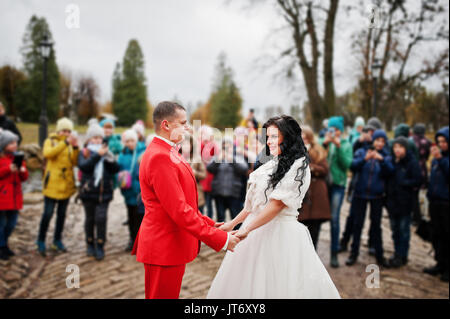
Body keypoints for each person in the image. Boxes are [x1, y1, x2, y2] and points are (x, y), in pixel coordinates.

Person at [207, 115, 340, 298]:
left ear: (289, 137)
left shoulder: (300, 165)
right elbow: (254, 205)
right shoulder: (272, 163)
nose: (269, 142)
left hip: (281, 234)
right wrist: (233, 224)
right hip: (256, 232)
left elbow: (277, 205)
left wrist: (247, 229)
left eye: (274, 137)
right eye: (267, 137)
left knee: (279, 284)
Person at [131, 101, 240, 299]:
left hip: (170, 244)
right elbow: (179, 210)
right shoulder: (160, 157)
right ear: (166, 125)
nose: (187, 127)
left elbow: (185, 203)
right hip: (164, 245)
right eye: (182, 123)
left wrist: (213, 225)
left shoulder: (168, 151)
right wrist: (220, 239)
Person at [345, 129, 393, 268]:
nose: (379, 143)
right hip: (360, 194)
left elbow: (390, 171)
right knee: (357, 225)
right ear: (373, 140)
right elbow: (353, 166)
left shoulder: (386, 156)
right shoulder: (362, 152)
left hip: (377, 196)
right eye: (377, 140)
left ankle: (380, 256)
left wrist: (381, 160)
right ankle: (353, 253)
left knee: (376, 226)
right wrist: (365, 158)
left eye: (382, 141)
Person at [36, 118, 79, 256]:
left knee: (61, 215)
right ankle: (41, 240)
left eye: (68, 131)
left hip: (65, 186)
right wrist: (64, 143)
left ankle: (57, 240)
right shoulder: (50, 141)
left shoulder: (70, 145)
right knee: (47, 214)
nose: (66, 133)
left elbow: (74, 162)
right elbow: (48, 154)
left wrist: (76, 148)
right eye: (64, 130)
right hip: (52, 185)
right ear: (58, 130)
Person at [78, 123, 120, 261]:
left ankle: (100, 244)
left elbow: (115, 170)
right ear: (89, 139)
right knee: (90, 219)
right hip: (88, 192)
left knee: (101, 219)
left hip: (104, 192)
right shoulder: (84, 152)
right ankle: (90, 243)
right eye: (94, 138)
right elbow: (84, 167)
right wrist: (97, 156)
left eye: (99, 138)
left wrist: (109, 158)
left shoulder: (107, 153)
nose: (96, 140)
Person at [319, 116, 353, 268]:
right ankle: (312, 251)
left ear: (340, 131)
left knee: (334, 218)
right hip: (324, 184)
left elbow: (347, 165)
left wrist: (338, 147)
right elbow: (317, 157)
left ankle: (334, 253)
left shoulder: (346, 144)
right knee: (318, 217)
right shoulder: (323, 142)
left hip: (338, 185)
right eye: (331, 129)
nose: (334, 132)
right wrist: (325, 144)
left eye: (336, 130)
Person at [385, 136, 422, 268]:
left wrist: (404, 184)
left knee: (403, 230)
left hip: (405, 202)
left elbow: (418, 179)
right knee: (395, 230)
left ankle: (402, 255)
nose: (397, 150)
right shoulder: (391, 161)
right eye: (395, 147)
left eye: (400, 147)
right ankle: (397, 253)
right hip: (392, 202)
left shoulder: (412, 162)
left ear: (405, 148)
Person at [297, 125, 331, 250]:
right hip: (302, 196)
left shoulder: (318, 150)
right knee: (300, 232)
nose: (304, 140)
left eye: (306, 138)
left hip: (317, 194)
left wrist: (311, 167)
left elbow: (325, 170)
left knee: (314, 231)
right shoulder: (294, 151)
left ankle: (312, 259)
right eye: (301, 138)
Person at [423, 126, 449, 282]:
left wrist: (440, 159)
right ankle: (439, 263)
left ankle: (448, 267)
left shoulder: (442, 159)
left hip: (446, 202)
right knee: (437, 235)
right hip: (435, 201)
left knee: (447, 236)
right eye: (439, 142)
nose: (442, 144)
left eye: (444, 141)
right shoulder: (436, 159)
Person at [0, 130, 28, 260]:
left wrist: (22, 170)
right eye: (11, 143)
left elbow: (24, 178)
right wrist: (8, 169)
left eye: (16, 142)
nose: (15, 144)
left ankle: (4, 243)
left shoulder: (18, 158)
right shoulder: (2, 160)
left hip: (15, 197)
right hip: (3, 196)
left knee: (11, 223)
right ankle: (2, 247)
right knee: (1, 223)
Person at [207, 138, 249, 223]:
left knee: (235, 218)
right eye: (224, 147)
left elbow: (244, 169)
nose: (226, 149)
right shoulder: (217, 157)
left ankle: (237, 234)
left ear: (232, 147)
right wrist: (218, 160)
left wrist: (232, 160)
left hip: (234, 193)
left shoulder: (238, 157)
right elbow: (209, 169)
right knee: (220, 219)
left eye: (228, 147)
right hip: (219, 193)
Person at [118, 129, 146, 252]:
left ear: (136, 140)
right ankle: (132, 239)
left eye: (132, 140)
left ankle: (142, 241)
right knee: (130, 216)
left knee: (140, 217)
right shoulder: (122, 154)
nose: (130, 143)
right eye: (127, 141)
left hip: (140, 191)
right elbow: (118, 170)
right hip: (128, 190)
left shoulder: (143, 152)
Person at [410, 123, 432, 225]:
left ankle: (415, 217)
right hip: (423, 168)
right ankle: (423, 214)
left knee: (413, 194)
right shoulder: (427, 141)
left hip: (413, 168)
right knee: (422, 193)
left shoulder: (412, 140)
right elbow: (427, 155)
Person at [180, 134, 207, 213]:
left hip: (196, 195)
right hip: (181, 194)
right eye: (183, 144)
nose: (186, 146)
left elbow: (204, 175)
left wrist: (195, 173)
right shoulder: (176, 157)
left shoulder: (197, 158)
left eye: (188, 144)